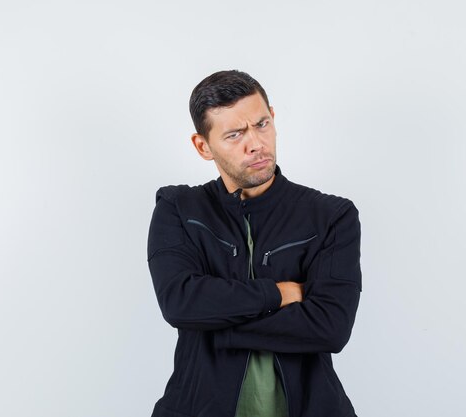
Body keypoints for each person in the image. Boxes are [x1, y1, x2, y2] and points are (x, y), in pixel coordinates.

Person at [147, 70, 362, 417]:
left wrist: (219, 329)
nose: (255, 144)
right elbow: (179, 302)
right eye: (234, 135)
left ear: (273, 118)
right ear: (204, 146)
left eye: (261, 124)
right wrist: (279, 294)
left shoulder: (331, 215)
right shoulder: (179, 208)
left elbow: (331, 327)